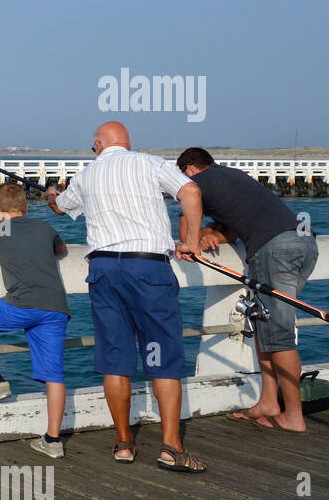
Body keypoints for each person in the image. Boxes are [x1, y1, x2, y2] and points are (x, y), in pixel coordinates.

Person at [44, 121, 207, 472]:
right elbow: (191, 192)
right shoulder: (149, 164)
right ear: (126, 143)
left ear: (98, 144)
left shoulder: (87, 174)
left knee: (115, 356)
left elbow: (62, 208)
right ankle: (170, 448)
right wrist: (191, 241)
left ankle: (123, 444)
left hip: (104, 270)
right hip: (147, 269)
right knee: (162, 354)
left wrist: (52, 197)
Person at [176, 147, 319, 433]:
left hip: (274, 251)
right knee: (264, 323)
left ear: (190, 168)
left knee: (279, 334)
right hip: (303, 245)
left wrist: (192, 238)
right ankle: (268, 402)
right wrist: (211, 233)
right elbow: (232, 227)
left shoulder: (197, 184)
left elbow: (185, 232)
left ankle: (294, 416)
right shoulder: (231, 178)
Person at [0, 182, 70, 457]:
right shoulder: (44, 228)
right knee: (54, 375)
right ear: (26, 207)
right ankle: (53, 440)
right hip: (55, 308)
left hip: (21, 304)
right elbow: (62, 250)